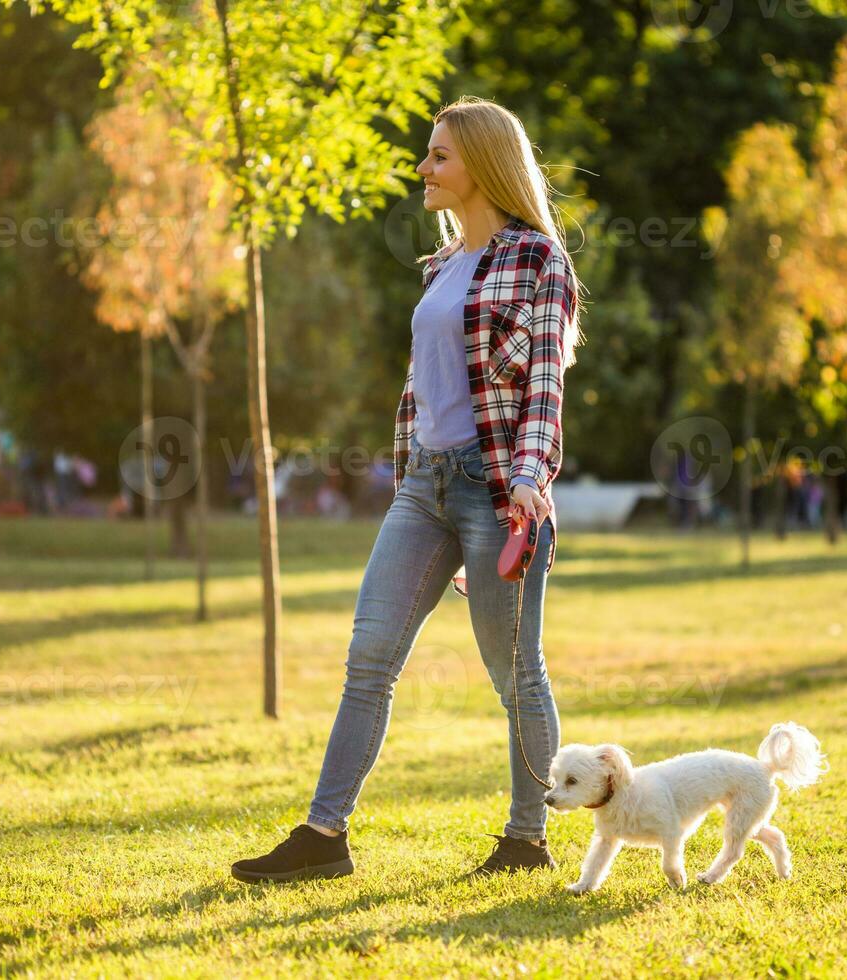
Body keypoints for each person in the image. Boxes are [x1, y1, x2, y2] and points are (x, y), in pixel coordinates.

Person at [231, 96, 586, 884]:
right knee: (369, 654)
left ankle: (528, 839)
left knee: (516, 671)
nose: (424, 168)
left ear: (484, 164)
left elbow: (543, 387)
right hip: (424, 488)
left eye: (439, 155)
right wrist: (411, 474)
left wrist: (530, 475)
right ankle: (325, 836)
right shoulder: (441, 265)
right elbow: (423, 388)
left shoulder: (539, 260)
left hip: (497, 490)